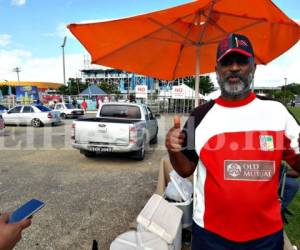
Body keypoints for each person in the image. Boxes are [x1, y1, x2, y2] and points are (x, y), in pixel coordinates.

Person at [165, 33, 300, 250]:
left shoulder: (278, 112)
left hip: (265, 237)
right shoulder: (197, 116)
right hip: (210, 235)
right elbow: (184, 170)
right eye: (227, 62)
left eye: (242, 61)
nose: (234, 68)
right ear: (217, 70)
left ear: (253, 67)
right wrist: (172, 149)